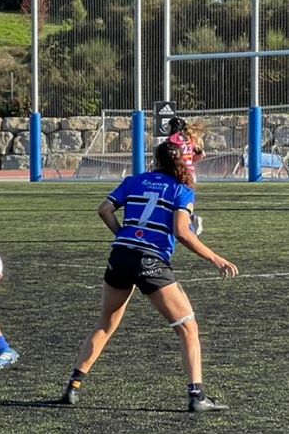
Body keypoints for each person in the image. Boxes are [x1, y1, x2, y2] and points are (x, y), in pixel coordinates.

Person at [62, 138, 238, 412]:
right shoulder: (182, 189)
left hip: (120, 256)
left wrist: (121, 234)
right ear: (180, 162)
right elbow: (182, 232)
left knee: (105, 324)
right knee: (188, 328)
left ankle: (73, 386)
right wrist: (215, 258)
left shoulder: (135, 180)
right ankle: (197, 395)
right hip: (150, 260)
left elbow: (104, 209)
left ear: (154, 161)